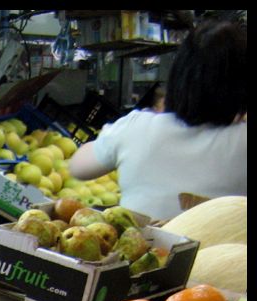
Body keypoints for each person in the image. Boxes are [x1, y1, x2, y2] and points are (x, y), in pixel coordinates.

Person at [68, 18, 246, 221]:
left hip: (144, 249)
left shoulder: (137, 128)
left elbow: (78, 167)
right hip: (221, 251)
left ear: (178, 75)